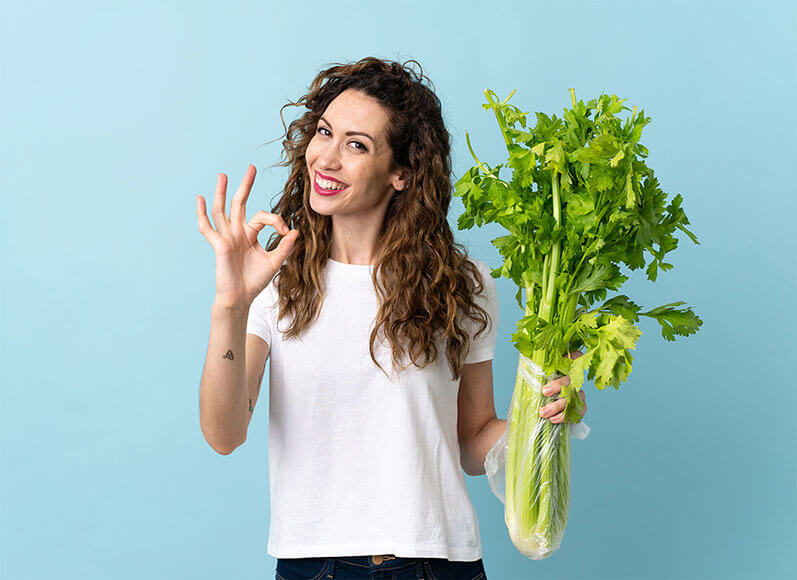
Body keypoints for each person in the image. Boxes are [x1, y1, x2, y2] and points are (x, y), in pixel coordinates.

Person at [196, 57, 587, 580]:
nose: (327, 158)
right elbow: (224, 433)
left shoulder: (462, 283)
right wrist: (231, 304)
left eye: (356, 145)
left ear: (402, 173)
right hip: (316, 565)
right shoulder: (277, 279)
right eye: (325, 133)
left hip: (439, 561)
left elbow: (471, 442)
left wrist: (542, 418)